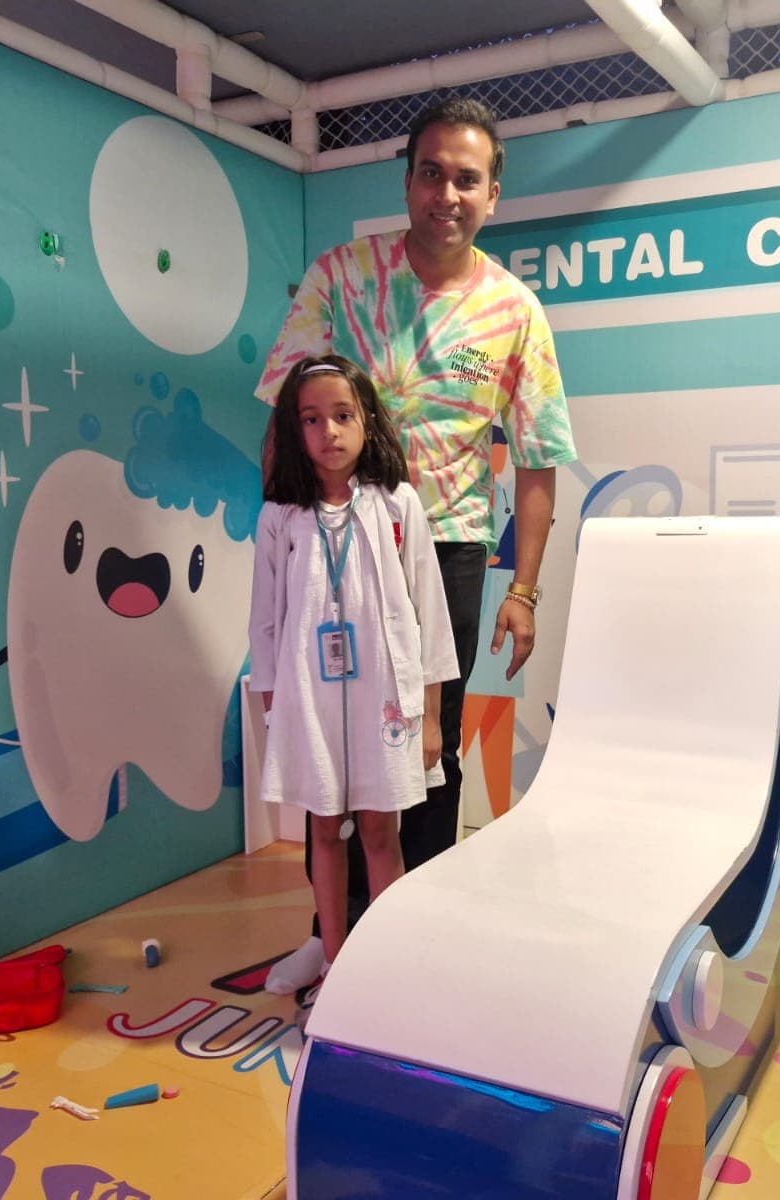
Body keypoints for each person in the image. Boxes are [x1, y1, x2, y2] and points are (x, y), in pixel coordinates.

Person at [255, 97, 577, 993]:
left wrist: (527, 590)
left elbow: (540, 466)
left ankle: (419, 950)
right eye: (430, 172)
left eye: (466, 178)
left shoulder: (515, 313)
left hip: (447, 555)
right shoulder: (342, 276)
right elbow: (284, 420)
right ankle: (338, 939)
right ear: (407, 180)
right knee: (334, 756)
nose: (447, 193)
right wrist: (283, 551)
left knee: (422, 757)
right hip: (333, 550)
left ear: (493, 193)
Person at [247, 355, 459, 972]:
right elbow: (265, 623)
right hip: (310, 704)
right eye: (312, 420)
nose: (329, 432)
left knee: (378, 833)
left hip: (383, 703)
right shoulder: (280, 517)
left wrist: (435, 719)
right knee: (322, 833)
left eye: (342, 415)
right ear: (294, 430)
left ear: (367, 418)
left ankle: (385, 970)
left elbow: (431, 615)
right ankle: (336, 964)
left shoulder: (398, 505)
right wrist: (273, 709)